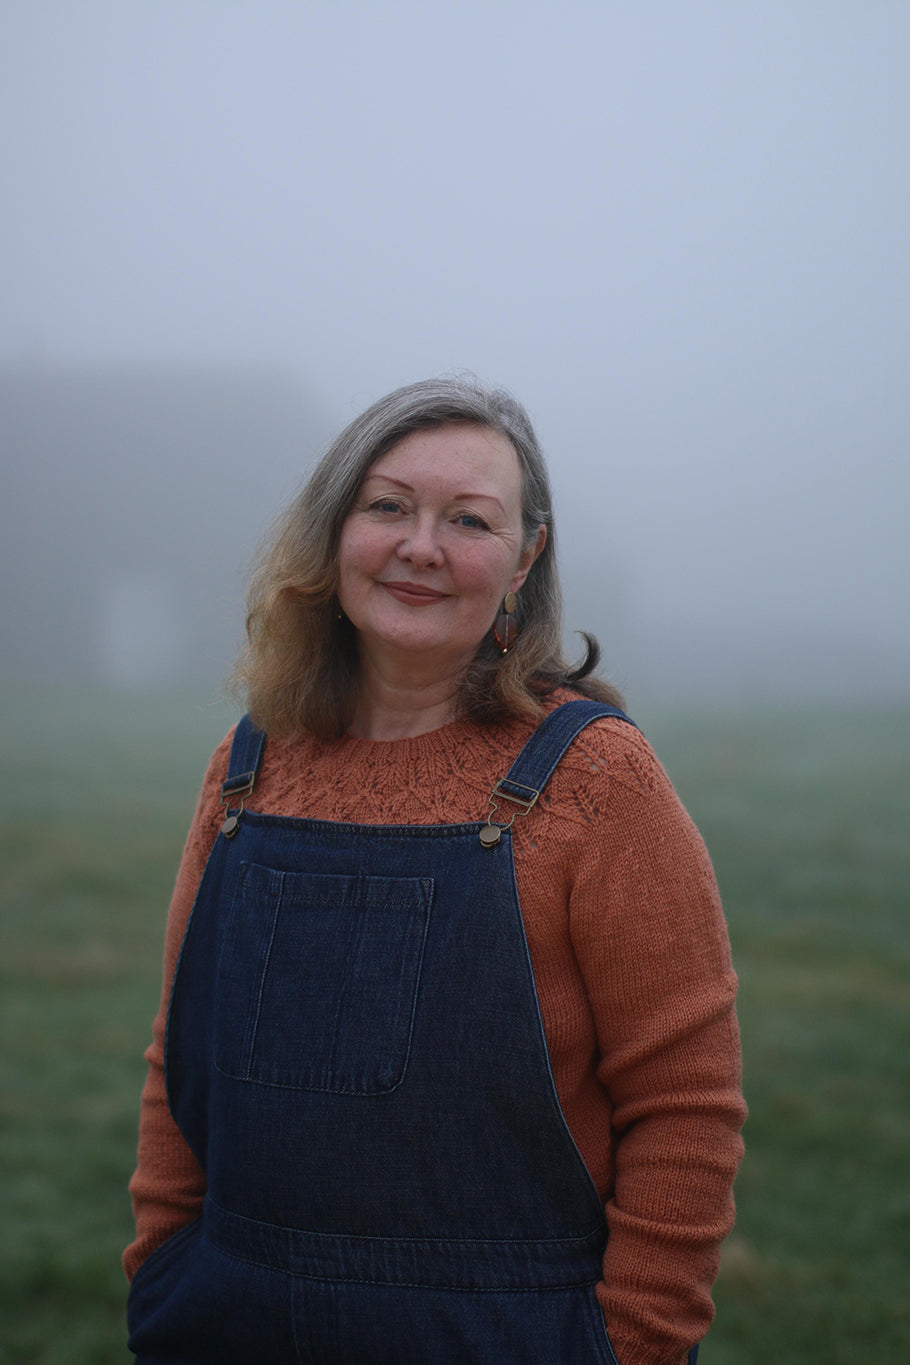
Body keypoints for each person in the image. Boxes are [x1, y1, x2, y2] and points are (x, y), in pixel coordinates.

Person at [124, 377, 746, 1365]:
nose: (421, 547)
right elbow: (179, 1061)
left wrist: (629, 1344)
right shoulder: (247, 766)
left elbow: (687, 1106)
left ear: (523, 559)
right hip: (230, 1324)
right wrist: (161, 1262)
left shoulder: (595, 778)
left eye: (468, 520)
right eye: (387, 507)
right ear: (334, 531)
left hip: (509, 1336)